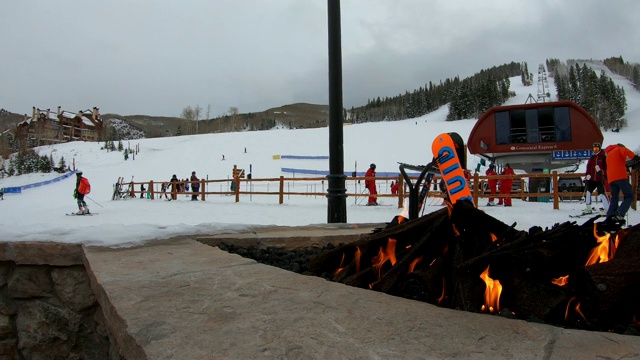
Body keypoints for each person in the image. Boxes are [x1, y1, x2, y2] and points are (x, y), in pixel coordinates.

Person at [604, 143, 638, 223]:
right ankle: (620, 214)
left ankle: (610, 216)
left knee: (614, 198)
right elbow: (626, 151)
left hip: (611, 179)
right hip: (620, 176)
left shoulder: (609, 154)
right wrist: (635, 157)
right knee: (629, 196)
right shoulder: (619, 148)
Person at [581, 142, 609, 215]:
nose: (596, 150)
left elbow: (606, 168)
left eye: (597, 148)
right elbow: (588, 167)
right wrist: (587, 175)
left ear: (599, 148)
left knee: (602, 194)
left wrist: (602, 172)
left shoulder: (603, 157)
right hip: (592, 179)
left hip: (600, 179)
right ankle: (588, 208)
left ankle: (607, 208)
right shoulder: (592, 158)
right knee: (588, 192)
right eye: (594, 149)